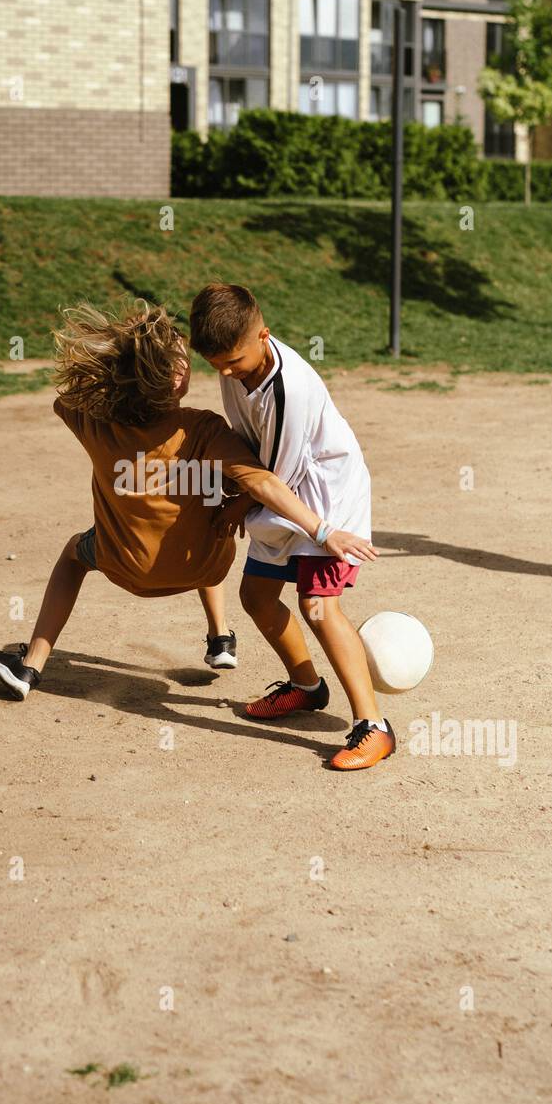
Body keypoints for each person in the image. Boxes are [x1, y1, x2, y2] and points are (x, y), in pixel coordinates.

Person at [0, 300, 376, 740]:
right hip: (204, 564)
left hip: (125, 568)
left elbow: (64, 400)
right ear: (178, 378)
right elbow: (265, 482)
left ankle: (32, 664)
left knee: (75, 553)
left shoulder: (93, 422)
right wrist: (318, 528)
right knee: (207, 511)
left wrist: (117, 371)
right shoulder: (204, 429)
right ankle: (225, 640)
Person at [189, 281, 396, 771]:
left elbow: (275, 472)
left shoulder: (288, 385)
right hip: (281, 491)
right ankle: (306, 687)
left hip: (325, 497)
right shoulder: (235, 365)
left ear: (264, 336)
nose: (224, 372)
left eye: (233, 361)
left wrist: (241, 505)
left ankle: (374, 727)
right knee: (256, 596)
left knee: (318, 606)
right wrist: (235, 494)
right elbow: (246, 442)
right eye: (215, 364)